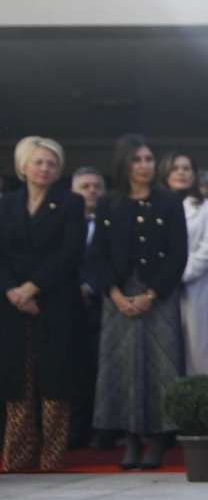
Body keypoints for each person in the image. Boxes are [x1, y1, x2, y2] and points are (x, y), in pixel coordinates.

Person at [92, 134, 189, 470]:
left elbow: (178, 255)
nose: (145, 165)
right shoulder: (108, 203)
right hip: (118, 296)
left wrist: (151, 295)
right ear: (124, 164)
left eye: (149, 159)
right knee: (124, 367)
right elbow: (97, 255)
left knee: (161, 367)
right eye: (137, 159)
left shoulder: (169, 202)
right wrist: (116, 295)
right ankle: (130, 438)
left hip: (157, 295)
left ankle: (158, 440)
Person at [1, 137, 86, 471]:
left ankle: (51, 458)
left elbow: (71, 252)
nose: (45, 168)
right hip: (12, 307)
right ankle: (17, 458)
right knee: (16, 382)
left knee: (55, 383)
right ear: (23, 166)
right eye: (38, 162)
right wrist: (14, 291)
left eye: (51, 163)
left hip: (54, 302)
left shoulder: (70, 203)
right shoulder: (6, 204)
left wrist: (32, 288)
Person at [160, 152, 208, 376]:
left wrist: (177, 274)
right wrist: (163, 279)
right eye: (175, 168)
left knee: (202, 354)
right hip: (160, 290)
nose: (181, 172)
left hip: (198, 286)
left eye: (186, 168)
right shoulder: (154, 206)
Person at [68, 166, 106, 449]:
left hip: (100, 307)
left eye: (96, 186)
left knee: (98, 370)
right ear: (73, 192)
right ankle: (73, 431)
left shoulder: (110, 222)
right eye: (85, 186)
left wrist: (89, 287)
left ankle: (99, 431)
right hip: (63, 306)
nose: (91, 190)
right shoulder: (61, 222)